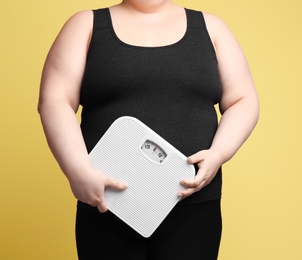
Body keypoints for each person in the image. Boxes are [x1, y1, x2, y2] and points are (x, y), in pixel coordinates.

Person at [38, 0, 259, 259]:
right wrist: (78, 170)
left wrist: (219, 153)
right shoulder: (84, 26)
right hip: (107, 202)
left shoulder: (212, 28)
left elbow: (243, 100)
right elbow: (54, 100)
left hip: (193, 203)